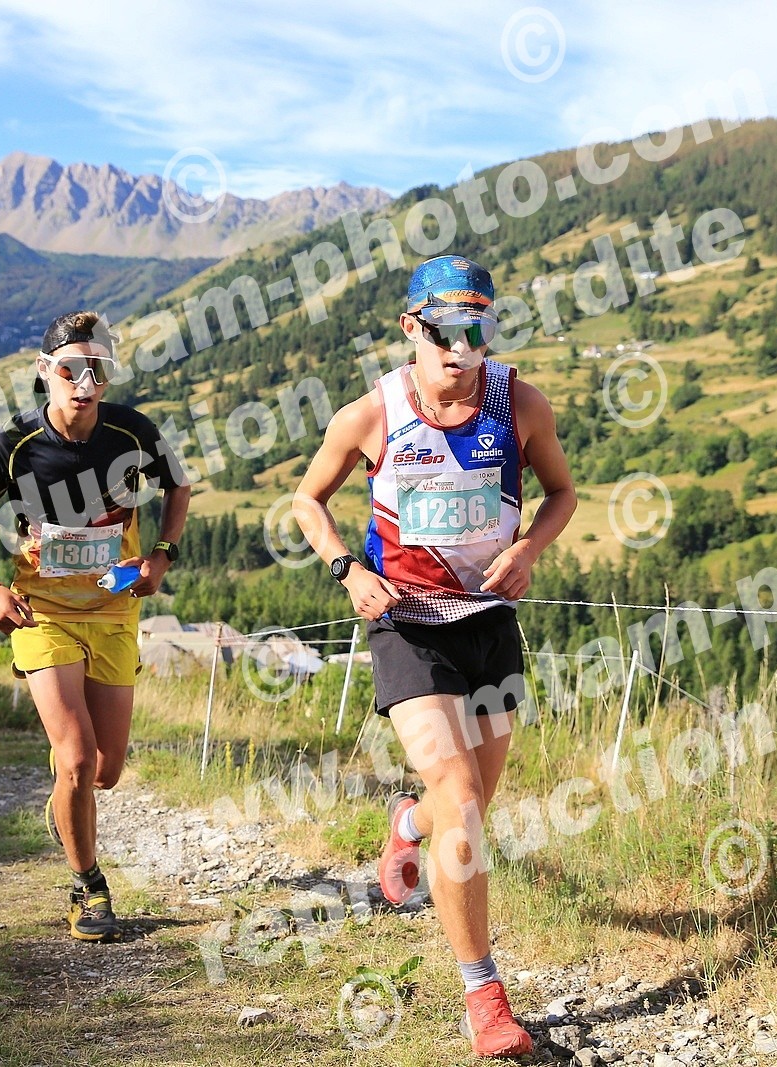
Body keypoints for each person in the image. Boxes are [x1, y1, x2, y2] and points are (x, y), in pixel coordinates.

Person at [293, 256, 576, 1057]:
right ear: (411, 327)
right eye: (445, 330)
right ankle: (485, 996)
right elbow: (307, 499)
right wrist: (349, 570)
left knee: (466, 806)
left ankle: (407, 822)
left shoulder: (520, 403)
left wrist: (528, 550)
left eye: (478, 329)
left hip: (488, 622)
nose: (462, 347)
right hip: (407, 624)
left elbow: (562, 493)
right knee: (463, 798)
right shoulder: (372, 414)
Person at [0, 310, 190, 942]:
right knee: (78, 758)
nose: (84, 383)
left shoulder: (133, 432)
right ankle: (88, 886)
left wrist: (162, 554)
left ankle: (67, 799)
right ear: (44, 370)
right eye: (70, 369)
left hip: (113, 607)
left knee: (104, 771)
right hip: (42, 613)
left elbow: (179, 487)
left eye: (98, 370)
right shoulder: (13, 444)